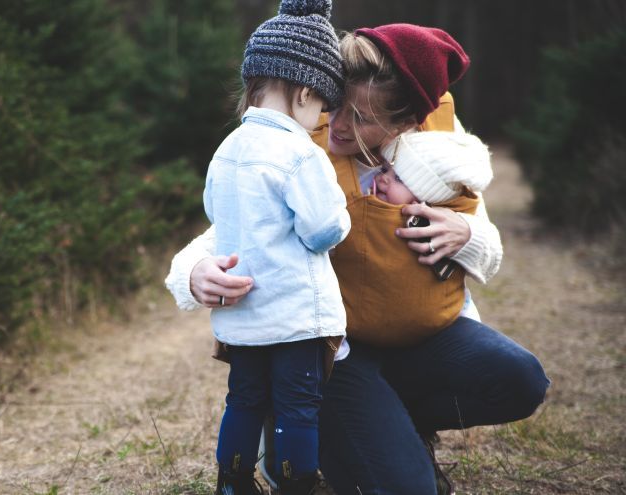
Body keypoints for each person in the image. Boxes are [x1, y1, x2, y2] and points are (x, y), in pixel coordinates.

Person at [166, 23, 550, 495]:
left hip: (422, 338)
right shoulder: (299, 140)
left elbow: (488, 250)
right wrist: (192, 273)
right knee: (409, 489)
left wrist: (466, 233)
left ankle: (383, 425)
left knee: (521, 380)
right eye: (337, 105)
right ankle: (300, 419)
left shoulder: (438, 149)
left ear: (407, 120)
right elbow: (230, 226)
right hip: (334, 351)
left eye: (363, 117)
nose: (341, 125)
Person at [204, 1, 350, 493]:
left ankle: (232, 481)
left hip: (243, 315)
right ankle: (297, 482)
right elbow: (322, 229)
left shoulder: (227, 149)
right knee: (296, 406)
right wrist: (342, 211)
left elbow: (214, 210)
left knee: (243, 399)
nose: (320, 121)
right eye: (322, 109)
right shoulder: (299, 152)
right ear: (306, 93)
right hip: (293, 316)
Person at [334, 130, 494, 346]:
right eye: (385, 170)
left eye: (398, 178)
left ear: (426, 198)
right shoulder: (355, 195)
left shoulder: (439, 219)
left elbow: (489, 261)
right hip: (361, 330)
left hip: (439, 325)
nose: (382, 179)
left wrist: (469, 233)